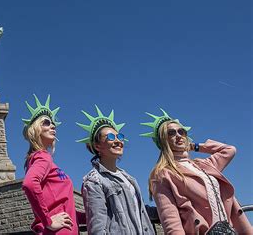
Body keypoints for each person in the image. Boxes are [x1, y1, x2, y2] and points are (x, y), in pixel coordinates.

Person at [141, 109, 252, 234]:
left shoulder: (203, 164)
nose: (178, 135)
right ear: (163, 140)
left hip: (229, 230)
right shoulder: (162, 174)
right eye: (171, 133)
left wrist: (194, 146)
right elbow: (171, 221)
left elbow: (229, 150)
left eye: (181, 132)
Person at [77, 106, 155, 234]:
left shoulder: (129, 178)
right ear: (97, 146)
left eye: (119, 136)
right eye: (111, 137)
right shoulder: (93, 181)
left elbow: (138, 210)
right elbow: (97, 226)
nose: (118, 141)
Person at [22, 94, 84, 234]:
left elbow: (62, 208)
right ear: (35, 129)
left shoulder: (39, 159)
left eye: (53, 123)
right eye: (46, 123)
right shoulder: (43, 157)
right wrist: (48, 221)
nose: (53, 126)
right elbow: (30, 183)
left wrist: (88, 217)